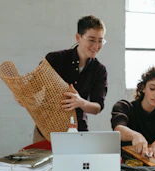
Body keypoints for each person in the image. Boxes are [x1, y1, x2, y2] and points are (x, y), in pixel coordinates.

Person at [15, 15, 108, 143]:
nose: (96, 46)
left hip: (78, 132)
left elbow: (97, 107)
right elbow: (32, 89)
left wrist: (81, 102)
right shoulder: (54, 59)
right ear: (78, 37)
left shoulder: (99, 70)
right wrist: (22, 95)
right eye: (91, 40)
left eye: (100, 41)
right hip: (46, 131)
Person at [111, 65, 155, 159]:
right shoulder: (124, 107)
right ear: (143, 88)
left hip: (153, 158)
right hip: (126, 158)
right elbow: (118, 128)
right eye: (152, 89)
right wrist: (135, 135)